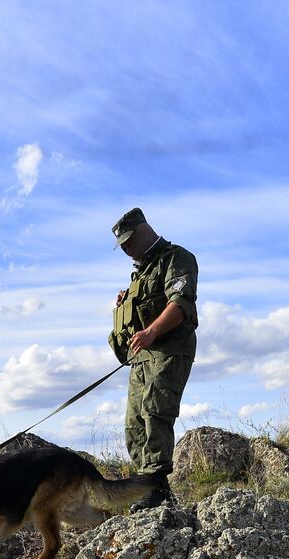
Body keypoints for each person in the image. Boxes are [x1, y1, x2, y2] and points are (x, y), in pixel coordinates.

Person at [109, 207, 199, 510]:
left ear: (144, 230)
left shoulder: (176, 258)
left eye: (128, 241)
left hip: (170, 349)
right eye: (121, 245)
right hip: (142, 357)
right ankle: (153, 488)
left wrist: (151, 331)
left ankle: (156, 487)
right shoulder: (139, 275)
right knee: (134, 423)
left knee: (155, 410)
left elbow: (180, 304)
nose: (125, 249)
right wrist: (122, 309)